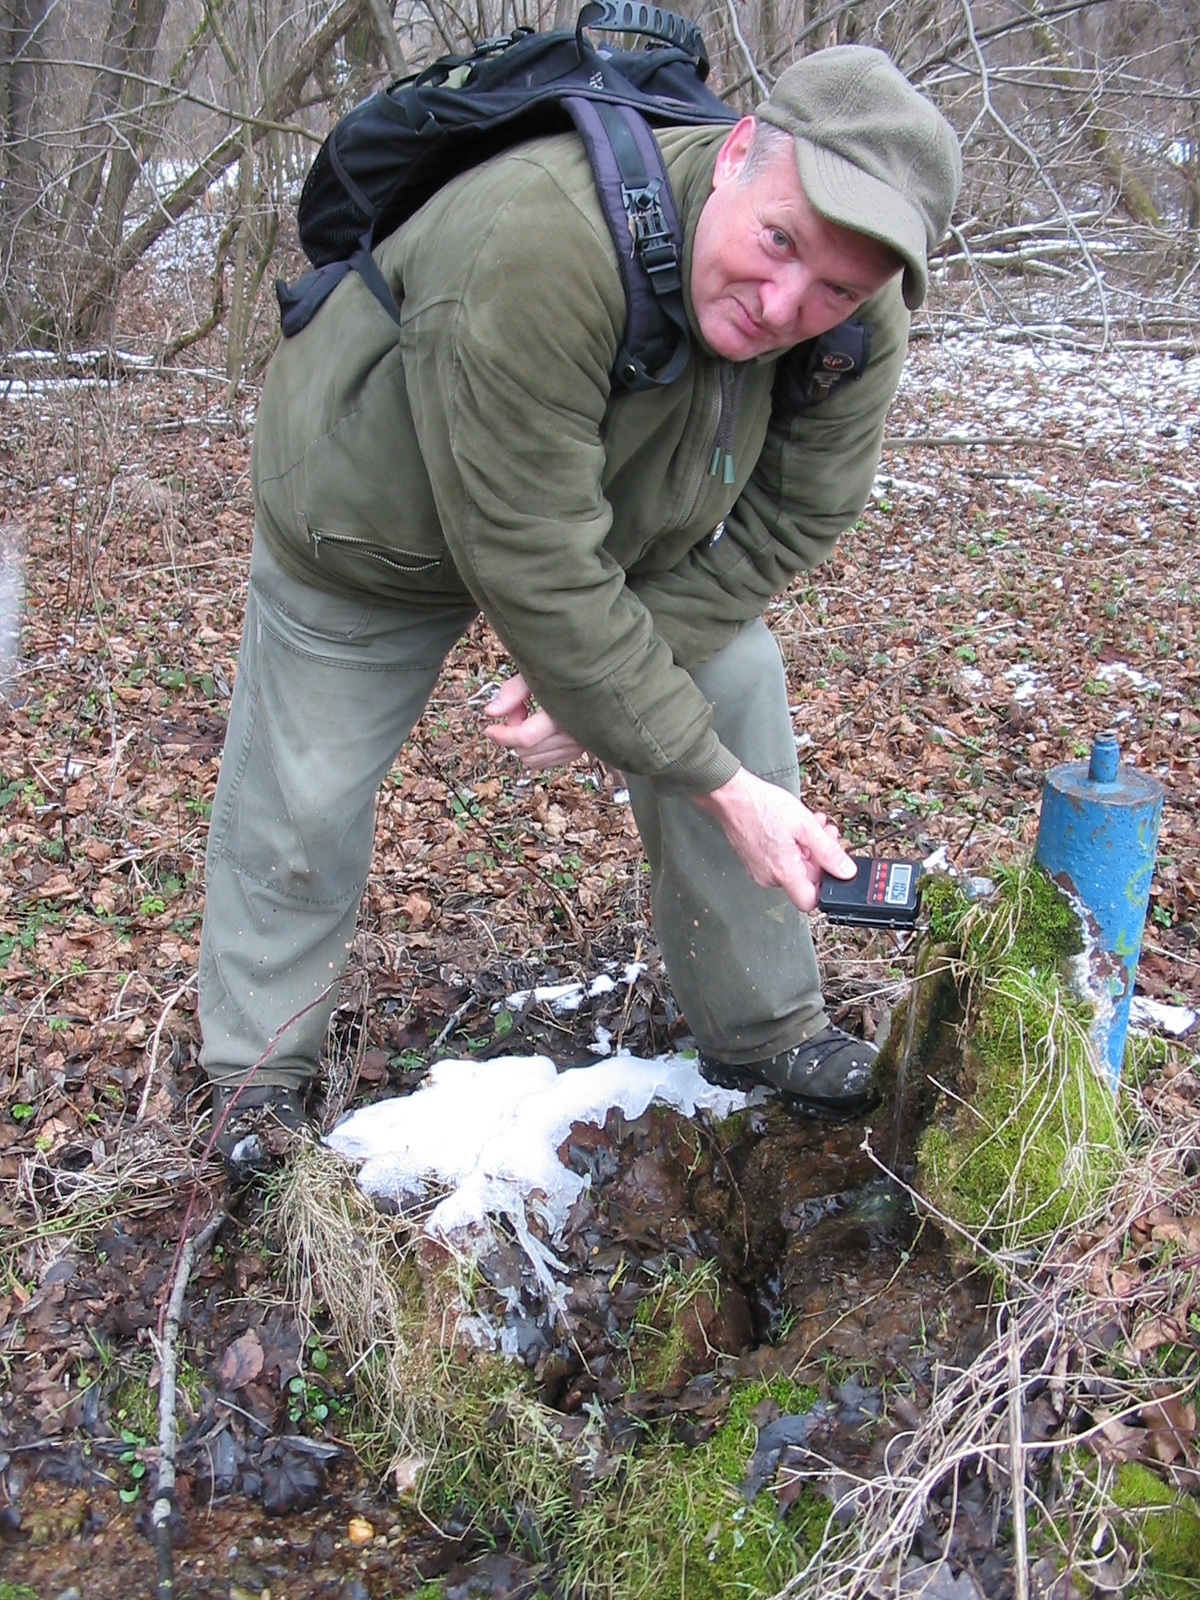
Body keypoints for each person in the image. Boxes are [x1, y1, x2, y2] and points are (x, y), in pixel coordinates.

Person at [197, 44, 962, 1174]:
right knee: (300, 788)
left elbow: (790, 521)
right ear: (742, 151)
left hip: (600, 513)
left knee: (734, 680)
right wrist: (709, 778)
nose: (786, 303)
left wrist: (610, 687)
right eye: (778, 242)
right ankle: (254, 1084)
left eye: (835, 289)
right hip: (374, 508)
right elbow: (531, 556)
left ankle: (765, 1029)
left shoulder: (856, 313)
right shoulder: (542, 234)